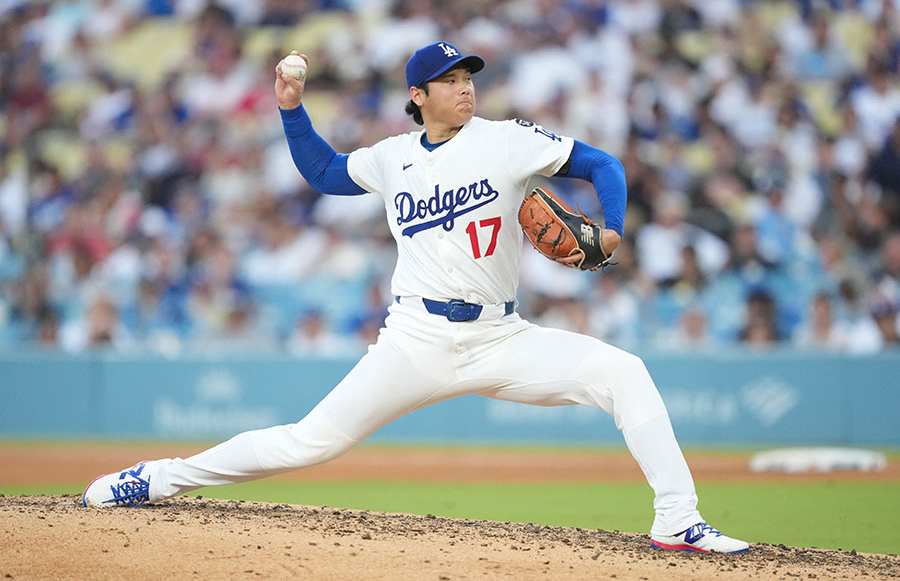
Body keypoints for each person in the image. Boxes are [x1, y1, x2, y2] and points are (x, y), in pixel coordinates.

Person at [82, 41, 749, 554]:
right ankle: (158, 478)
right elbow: (321, 170)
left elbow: (605, 164)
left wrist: (613, 225)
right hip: (415, 340)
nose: (466, 89)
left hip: (500, 337)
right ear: (418, 94)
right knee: (307, 442)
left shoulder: (507, 140)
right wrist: (290, 107)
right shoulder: (392, 156)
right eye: (452, 81)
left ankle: (679, 521)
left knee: (622, 372)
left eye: (469, 78)